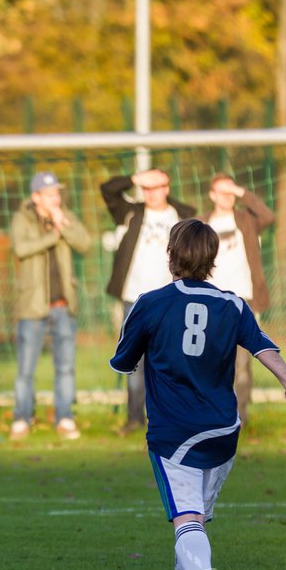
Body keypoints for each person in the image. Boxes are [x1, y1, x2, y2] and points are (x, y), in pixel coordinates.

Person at [109, 219, 286, 570]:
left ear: (171, 255)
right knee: (194, 519)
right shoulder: (232, 304)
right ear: (212, 260)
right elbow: (263, 346)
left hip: (174, 432)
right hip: (223, 430)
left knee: (187, 520)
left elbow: (123, 362)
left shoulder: (150, 302)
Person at [101, 168, 196, 435]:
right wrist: (134, 178)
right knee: (134, 361)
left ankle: (173, 417)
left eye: (157, 187)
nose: (151, 193)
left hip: (172, 299)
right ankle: (134, 419)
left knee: (174, 360)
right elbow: (107, 189)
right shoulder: (130, 212)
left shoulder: (183, 215)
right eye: (147, 188)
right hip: (135, 299)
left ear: (167, 187)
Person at [10, 171, 92, 440]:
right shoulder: (23, 217)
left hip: (63, 304)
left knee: (65, 366)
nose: (56, 197)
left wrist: (62, 225)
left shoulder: (64, 215)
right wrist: (53, 236)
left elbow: (85, 243)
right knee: (26, 368)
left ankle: (65, 417)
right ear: (36, 197)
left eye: (57, 192)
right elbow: (21, 248)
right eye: (50, 194)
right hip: (32, 306)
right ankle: (22, 417)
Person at [203, 174, 275, 423]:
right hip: (211, 301)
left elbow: (268, 216)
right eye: (221, 192)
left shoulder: (246, 220)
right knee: (210, 361)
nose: (227, 197)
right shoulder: (203, 224)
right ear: (211, 195)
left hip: (242, 299)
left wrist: (241, 191)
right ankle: (212, 415)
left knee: (242, 362)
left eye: (230, 192)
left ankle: (239, 416)